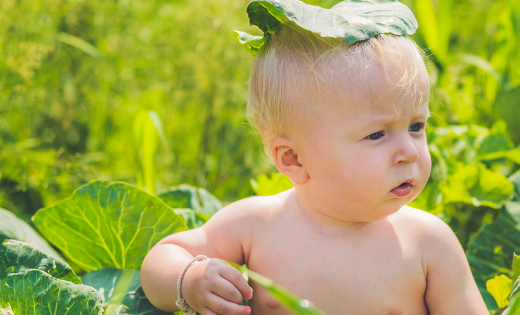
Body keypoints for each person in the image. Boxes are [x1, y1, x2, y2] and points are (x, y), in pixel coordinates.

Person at [140, 2, 488, 314]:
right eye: (377, 134)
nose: (410, 151)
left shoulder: (428, 243)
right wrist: (189, 279)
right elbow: (162, 259)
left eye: (416, 126)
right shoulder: (258, 226)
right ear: (292, 159)